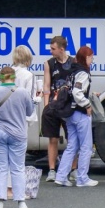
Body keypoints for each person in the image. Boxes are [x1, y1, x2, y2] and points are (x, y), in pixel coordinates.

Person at [0, 66, 34, 208]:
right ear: (14, 77)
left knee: (0, 168)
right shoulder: (23, 92)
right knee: (18, 168)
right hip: (18, 133)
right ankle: (21, 202)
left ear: (0, 78)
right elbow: (29, 112)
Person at [54, 46, 99, 187]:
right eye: (91, 57)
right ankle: (82, 178)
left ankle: (61, 176)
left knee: (72, 146)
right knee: (86, 147)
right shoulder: (83, 73)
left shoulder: (73, 70)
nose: (92, 60)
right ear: (86, 58)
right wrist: (87, 104)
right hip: (80, 113)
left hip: (70, 113)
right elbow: (77, 92)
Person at [41, 36, 75, 183]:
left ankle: (73, 169)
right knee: (52, 138)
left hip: (68, 105)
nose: (51, 51)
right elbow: (46, 85)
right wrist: (47, 106)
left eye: (53, 48)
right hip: (54, 105)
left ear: (62, 49)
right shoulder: (49, 64)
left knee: (72, 139)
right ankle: (52, 170)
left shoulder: (73, 62)